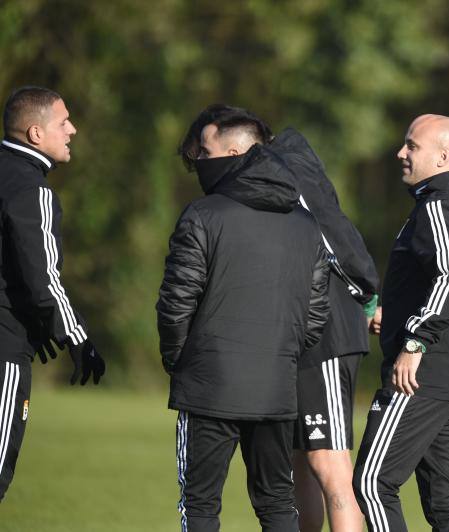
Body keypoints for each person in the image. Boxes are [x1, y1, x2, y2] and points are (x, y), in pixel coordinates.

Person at [156, 105, 330, 532]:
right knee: (276, 504)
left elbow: (176, 302)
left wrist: (182, 360)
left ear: (235, 153)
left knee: (199, 505)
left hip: (209, 387)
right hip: (275, 389)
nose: (198, 161)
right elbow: (315, 314)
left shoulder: (203, 215)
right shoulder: (307, 225)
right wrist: (282, 356)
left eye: (206, 151)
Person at [353, 114, 449, 532]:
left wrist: (416, 341)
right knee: (446, 504)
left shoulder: (439, 205)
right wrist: (402, 321)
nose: (401, 153)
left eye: (412, 146)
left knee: (372, 482)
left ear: (443, 155)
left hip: (422, 377)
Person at [269, 127, 379, 532]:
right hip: (300, 340)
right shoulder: (279, 175)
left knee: (330, 466)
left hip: (327, 339)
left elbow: (339, 239)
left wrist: (367, 297)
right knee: (303, 462)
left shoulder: (288, 172)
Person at [0, 86, 106, 502]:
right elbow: (43, 278)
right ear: (35, 134)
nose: (73, 130)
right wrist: (76, 338)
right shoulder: (33, 190)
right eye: (63, 122)